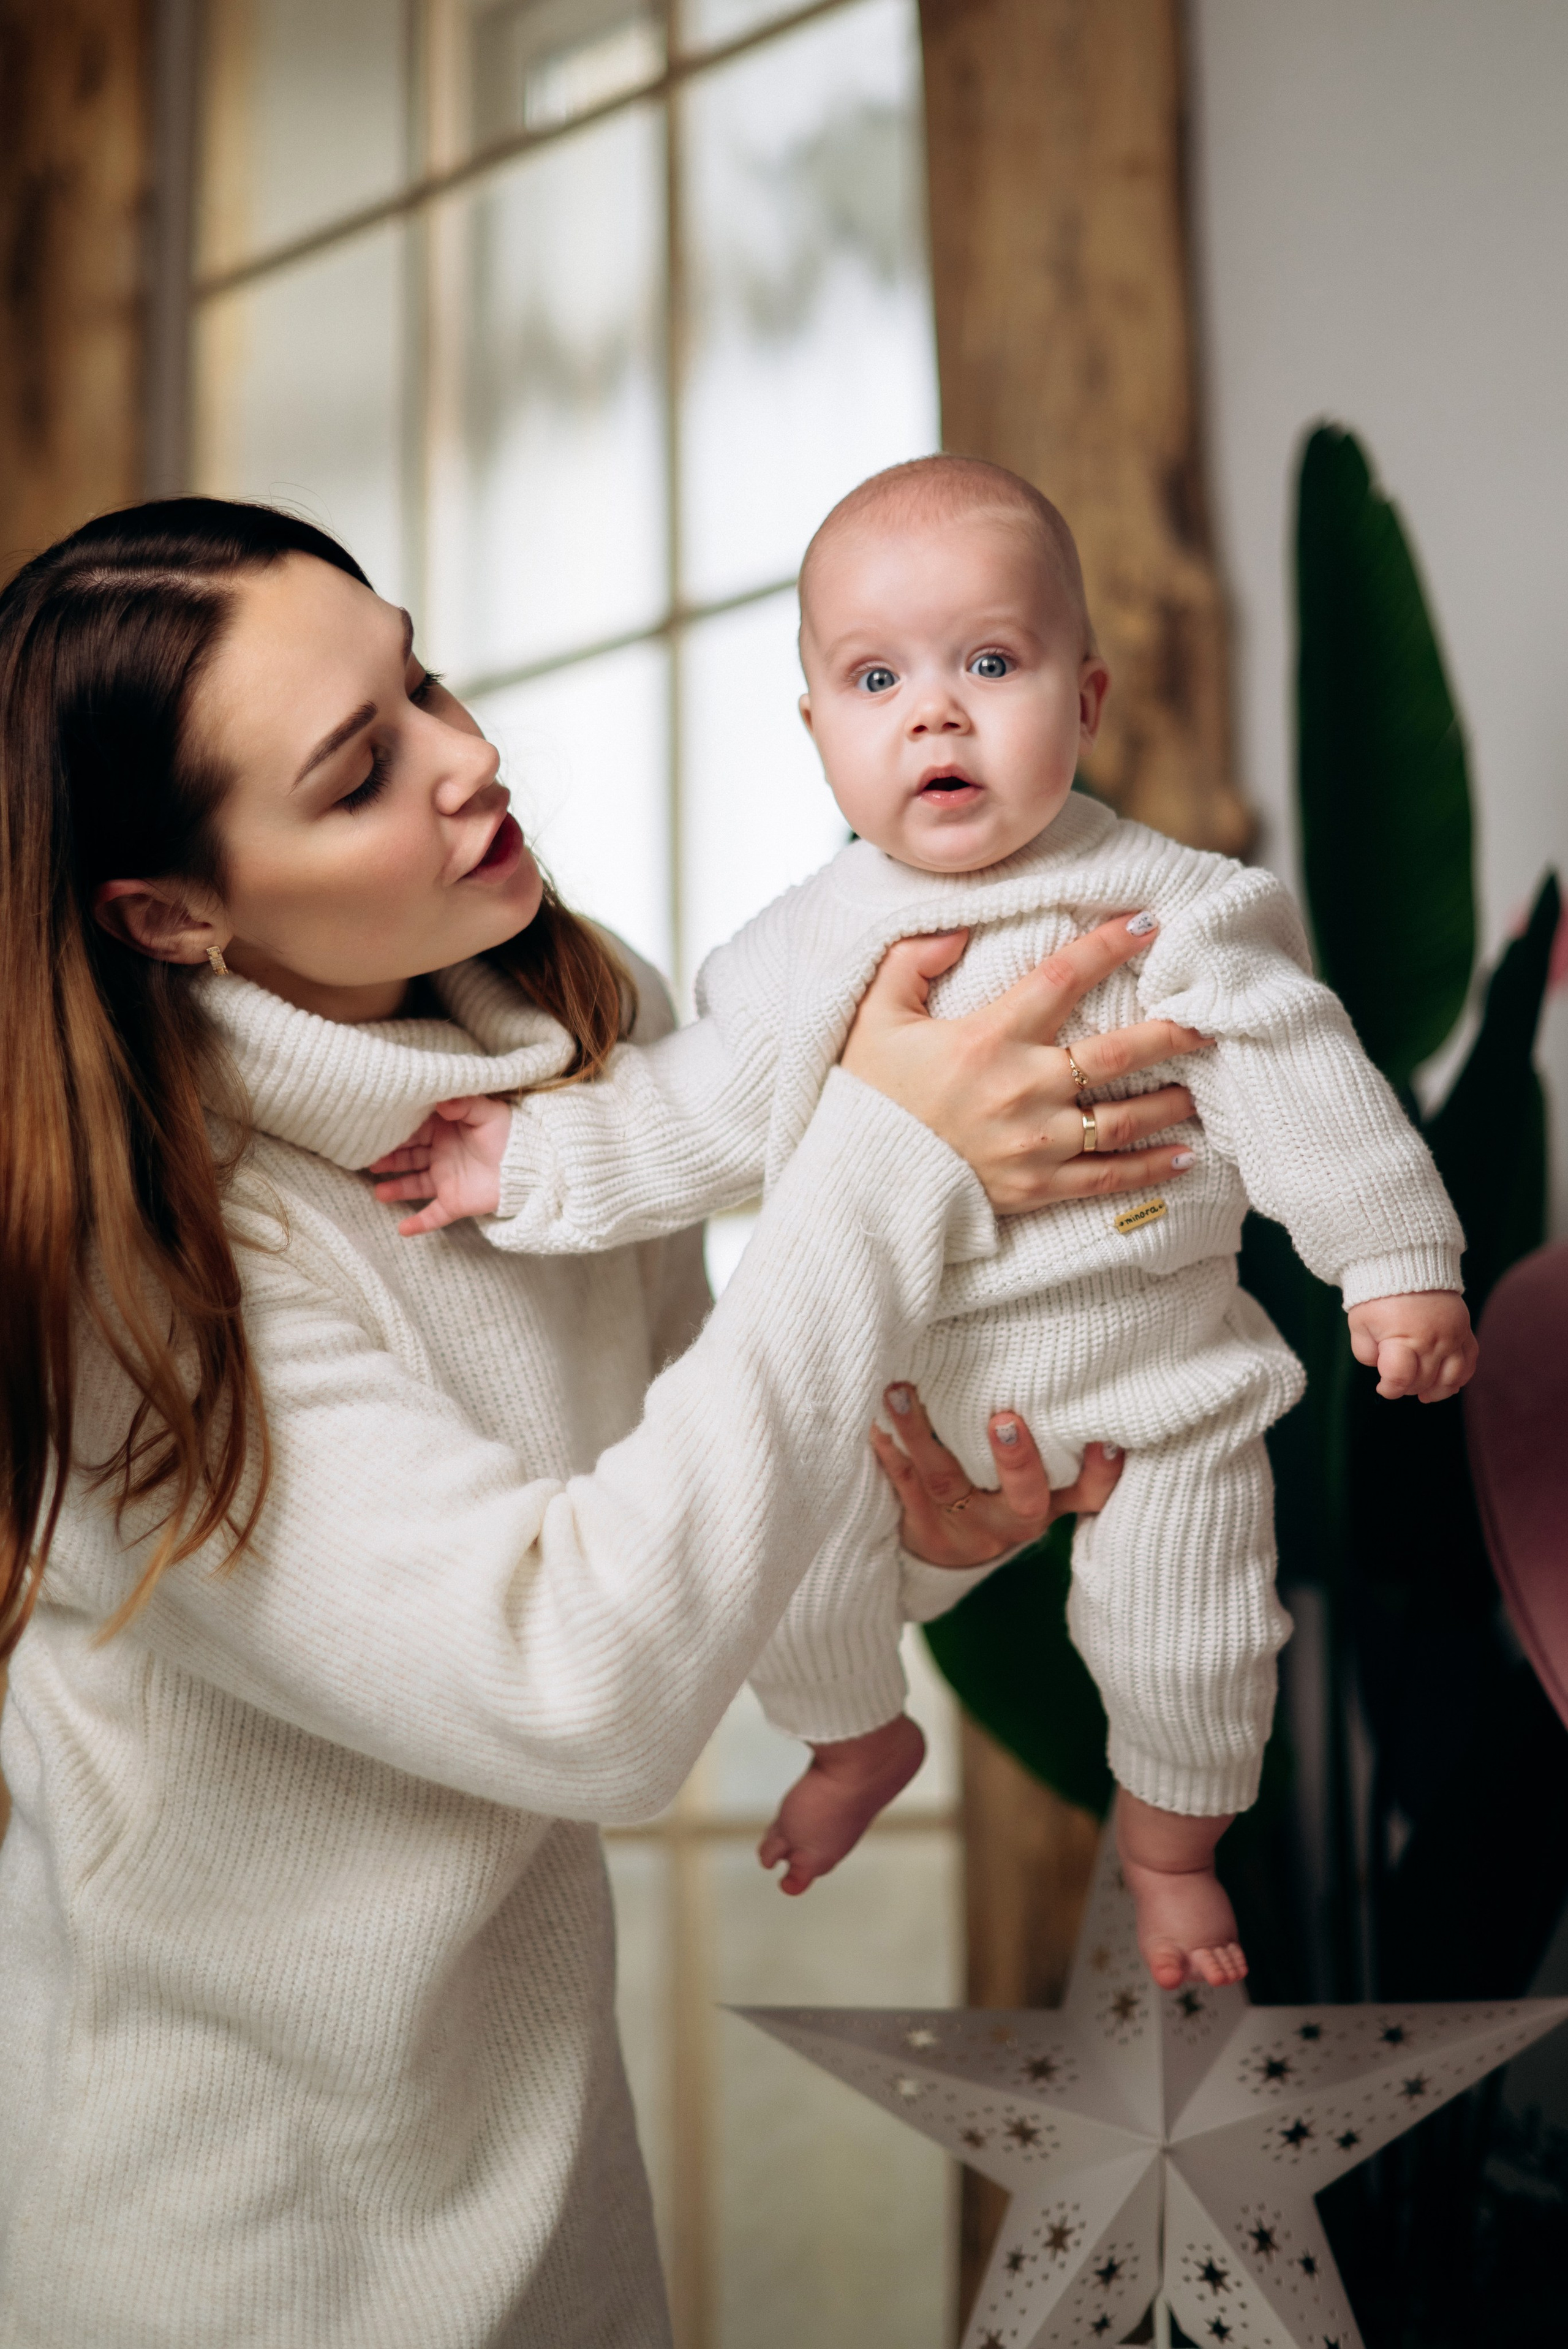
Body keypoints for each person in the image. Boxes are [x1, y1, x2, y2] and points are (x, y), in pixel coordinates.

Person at [0, 497, 1207, 2349]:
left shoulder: (573, 1039)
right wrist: (891, 1154)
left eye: (423, 677)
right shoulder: (134, 1283)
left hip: (550, 2197)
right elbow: (580, 1684)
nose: (471, 760)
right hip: (228, 2257)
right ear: (172, 912)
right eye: (357, 771)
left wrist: (903, 1550)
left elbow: (698, 1495)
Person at [372, 454, 1477, 1996]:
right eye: (875, 677)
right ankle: (855, 1731)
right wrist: (525, 1169)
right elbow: (695, 1112)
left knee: (1194, 1639)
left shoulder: (1170, 905)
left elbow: (1302, 1079)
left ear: (1083, 701)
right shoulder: (807, 943)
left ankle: (1168, 1853)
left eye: (989, 663)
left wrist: (1394, 1260)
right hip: (907, 1400)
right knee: (792, 1565)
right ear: (819, 732)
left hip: (1161, 1386)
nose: (934, 713)